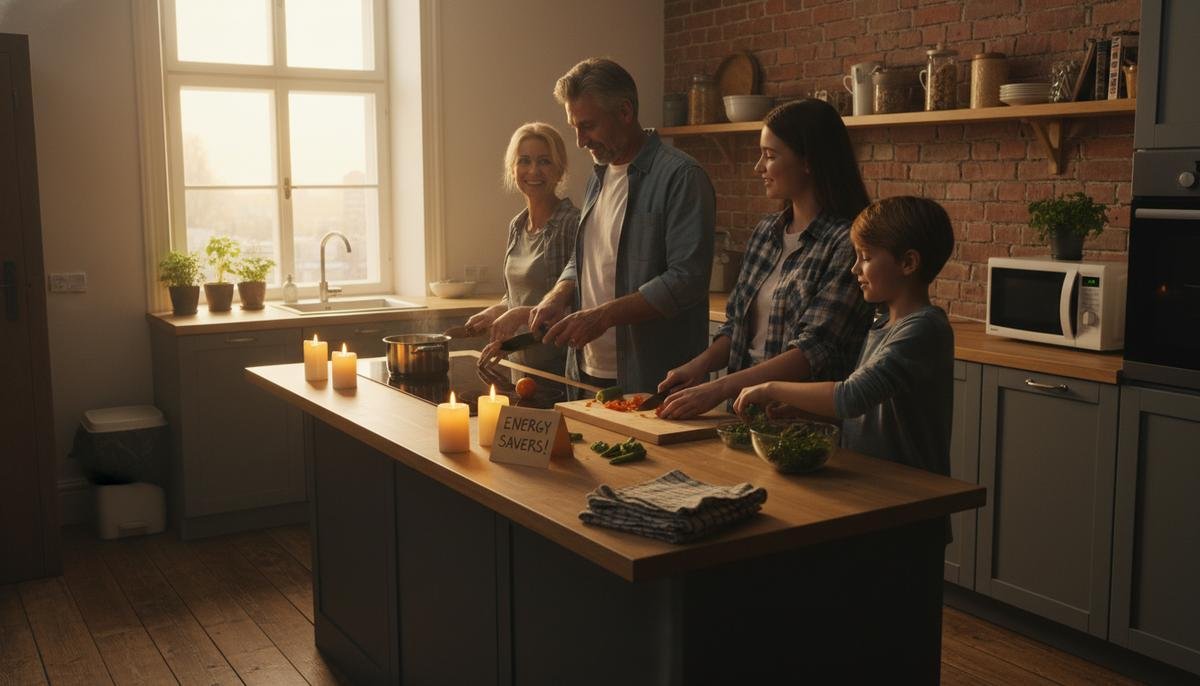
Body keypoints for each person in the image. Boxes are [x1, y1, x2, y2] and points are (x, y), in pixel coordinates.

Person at [656, 99, 873, 419]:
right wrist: (699, 366)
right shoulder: (766, 232)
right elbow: (736, 327)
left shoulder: (846, 242)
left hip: (800, 424)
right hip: (743, 414)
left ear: (808, 161)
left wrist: (719, 388)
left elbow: (812, 351)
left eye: (770, 156)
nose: (759, 167)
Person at [733, 196, 957, 478]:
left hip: (914, 499)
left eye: (865, 257)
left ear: (908, 262)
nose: (854, 269)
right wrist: (805, 413)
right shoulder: (881, 325)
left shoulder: (923, 330)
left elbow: (851, 396)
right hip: (874, 488)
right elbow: (866, 414)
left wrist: (770, 388)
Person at [529, 57, 715, 394]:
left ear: (625, 112)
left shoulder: (682, 176)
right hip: (586, 369)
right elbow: (585, 257)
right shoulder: (597, 176)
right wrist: (558, 295)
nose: (580, 141)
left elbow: (687, 279)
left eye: (588, 126)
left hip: (654, 379)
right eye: (574, 127)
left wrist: (602, 317)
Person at [466, 123, 580, 380]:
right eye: (524, 161)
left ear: (560, 170)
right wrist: (496, 311)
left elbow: (580, 307)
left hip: (558, 369)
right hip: (521, 365)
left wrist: (520, 315)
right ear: (512, 169)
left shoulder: (572, 224)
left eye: (544, 162)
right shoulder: (517, 226)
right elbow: (517, 296)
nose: (533, 171)